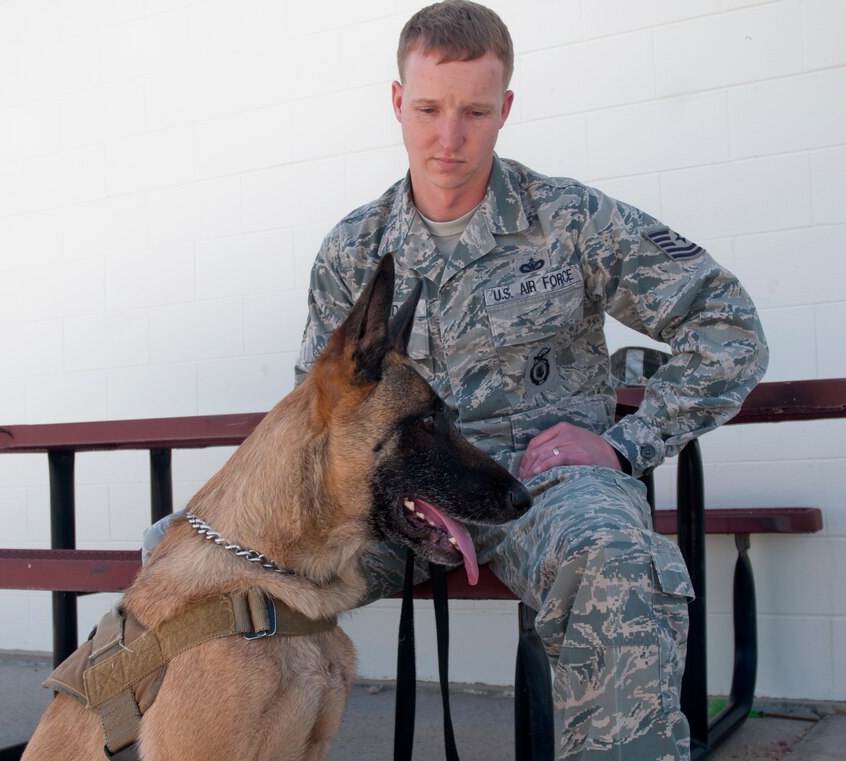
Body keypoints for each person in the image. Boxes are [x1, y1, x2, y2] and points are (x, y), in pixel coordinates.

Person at [294, 2, 769, 760]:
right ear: (396, 102)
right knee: (202, 555)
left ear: (506, 108)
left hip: (538, 489)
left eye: (475, 112)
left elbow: (728, 323)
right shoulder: (356, 248)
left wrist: (623, 445)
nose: (449, 138)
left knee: (614, 552)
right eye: (428, 109)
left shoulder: (570, 220)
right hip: (396, 499)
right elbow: (317, 412)